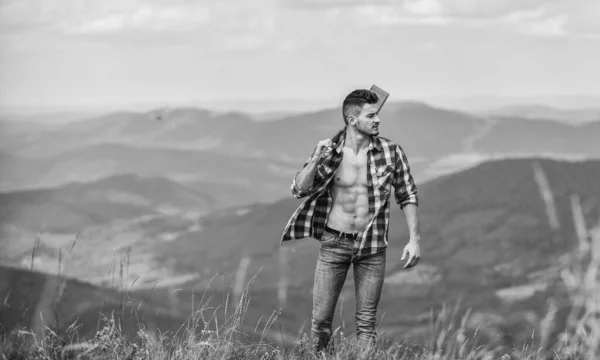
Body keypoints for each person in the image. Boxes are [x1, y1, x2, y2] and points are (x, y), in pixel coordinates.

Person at [279, 89, 422, 353]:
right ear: (353, 120)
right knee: (321, 321)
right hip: (334, 242)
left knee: (366, 322)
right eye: (371, 115)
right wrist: (316, 159)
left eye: (377, 113)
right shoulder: (331, 152)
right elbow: (299, 188)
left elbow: (407, 194)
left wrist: (414, 239)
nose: (378, 119)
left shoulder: (391, 151)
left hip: (373, 246)